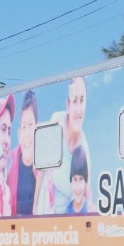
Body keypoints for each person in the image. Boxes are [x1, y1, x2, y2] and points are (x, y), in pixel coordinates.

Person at [37, 76, 90, 215]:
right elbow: (41, 168)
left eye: (82, 101)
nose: (78, 109)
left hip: (67, 223)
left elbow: (88, 196)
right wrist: (35, 206)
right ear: (68, 105)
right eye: (74, 101)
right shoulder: (56, 122)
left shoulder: (83, 148)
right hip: (46, 215)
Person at [13, 90, 43, 216]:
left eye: (31, 125)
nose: (27, 133)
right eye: (24, 127)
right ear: (19, 134)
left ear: (38, 127)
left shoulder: (45, 168)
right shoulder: (11, 167)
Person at [67, 146, 91, 214]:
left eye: (81, 179)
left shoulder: (91, 211)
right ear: (71, 183)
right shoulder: (67, 210)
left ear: (85, 182)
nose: (78, 188)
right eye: (75, 180)